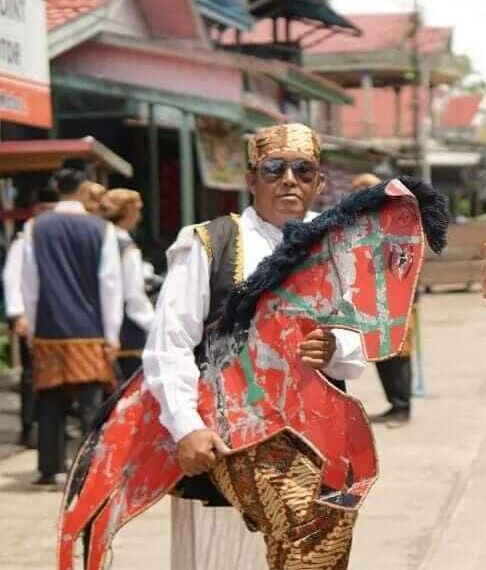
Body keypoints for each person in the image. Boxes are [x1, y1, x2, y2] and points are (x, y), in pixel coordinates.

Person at [144, 123, 367, 569]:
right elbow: (169, 341)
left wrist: (334, 345)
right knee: (309, 524)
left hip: (319, 429)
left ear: (318, 183)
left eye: (303, 170)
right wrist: (187, 426)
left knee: (334, 527)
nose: (289, 180)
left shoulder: (336, 247)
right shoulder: (210, 241)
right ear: (250, 180)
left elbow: (359, 342)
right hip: (235, 428)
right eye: (274, 169)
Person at [20, 169, 123, 488]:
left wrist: (33, 327)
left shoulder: (35, 227)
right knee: (91, 404)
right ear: (82, 189)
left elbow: (30, 283)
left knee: (50, 401)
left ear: (57, 187)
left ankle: (51, 468)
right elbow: (110, 285)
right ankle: (88, 468)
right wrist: (112, 333)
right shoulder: (101, 229)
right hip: (91, 332)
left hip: (50, 330)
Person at [351, 172, 415, 425]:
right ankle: (394, 404)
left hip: (397, 296)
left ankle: (402, 407)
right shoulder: (361, 221)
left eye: (366, 189)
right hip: (372, 297)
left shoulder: (394, 219)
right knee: (381, 351)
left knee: (398, 353)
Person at [3, 188, 60, 447]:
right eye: (44, 210)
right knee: (30, 378)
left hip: (55, 321)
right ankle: (28, 427)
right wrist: (18, 315)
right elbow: (12, 280)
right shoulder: (23, 240)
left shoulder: (56, 239)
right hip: (32, 320)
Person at [100, 189, 155, 380]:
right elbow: (134, 296)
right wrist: (154, 324)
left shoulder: (96, 240)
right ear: (129, 213)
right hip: (128, 332)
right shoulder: (126, 248)